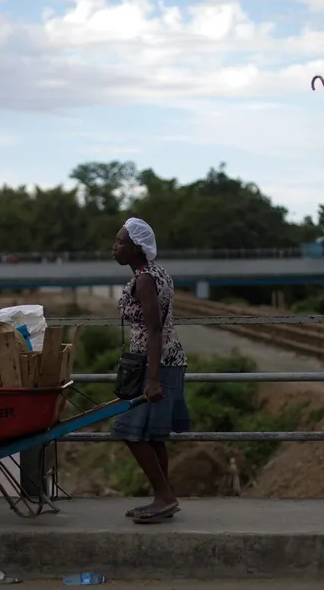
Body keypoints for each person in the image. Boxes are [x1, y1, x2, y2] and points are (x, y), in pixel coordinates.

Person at [111, 217, 189, 524]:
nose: (114, 247)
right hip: (164, 360)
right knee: (153, 436)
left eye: (120, 242)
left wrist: (153, 378)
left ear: (137, 247)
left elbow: (155, 330)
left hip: (155, 363)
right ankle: (163, 498)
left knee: (128, 430)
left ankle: (164, 495)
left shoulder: (144, 279)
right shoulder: (157, 273)